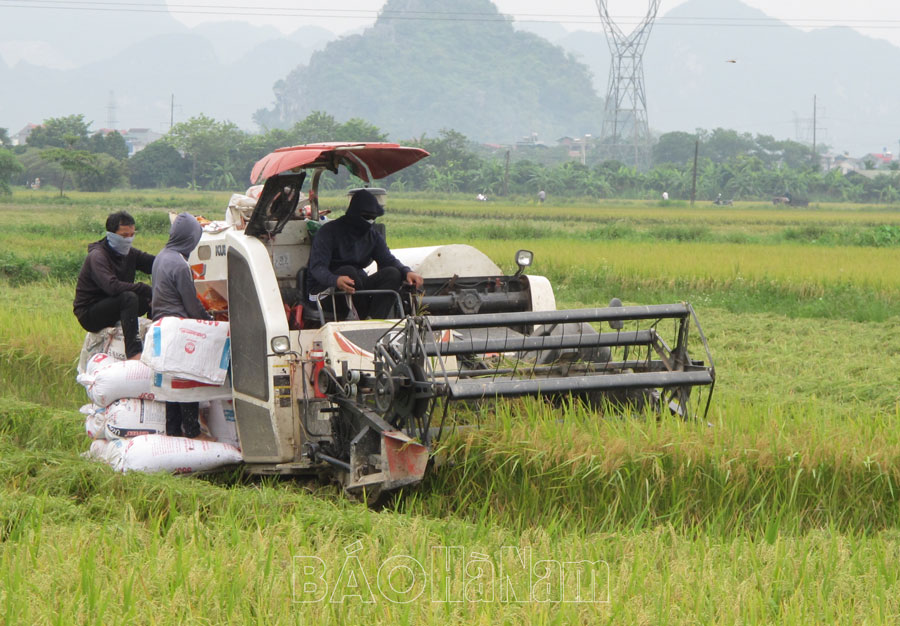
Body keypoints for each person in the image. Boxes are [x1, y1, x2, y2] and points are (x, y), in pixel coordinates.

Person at [307, 189, 423, 320]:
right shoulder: (328, 232)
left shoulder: (372, 236)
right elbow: (317, 268)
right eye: (367, 217)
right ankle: (361, 318)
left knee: (393, 273)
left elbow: (388, 260)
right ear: (354, 214)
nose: (370, 221)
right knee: (349, 272)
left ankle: (375, 319)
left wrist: (406, 272)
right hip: (325, 290)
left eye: (374, 218)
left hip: (357, 286)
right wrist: (336, 280)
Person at [152, 212, 212, 439]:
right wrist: (210, 321)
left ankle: (173, 432)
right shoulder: (179, 264)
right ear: (190, 239)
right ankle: (193, 433)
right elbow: (192, 305)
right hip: (178, 329)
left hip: (162, 326)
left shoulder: (161, 257)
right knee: (186, 382)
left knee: (172, 384)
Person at [73, 211, 155, 360]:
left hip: (114, 306)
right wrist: (143, 287)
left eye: (132, 235)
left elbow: (154, 264)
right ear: (111, 234)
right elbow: (112, 287)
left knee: (151, 297)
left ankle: (154, 340)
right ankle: (134, 353)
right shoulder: (98, 256)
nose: (128, 240)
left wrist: (173, 260)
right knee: (129, 297)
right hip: (90, 313)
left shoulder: (129, 253)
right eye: (124, 236)